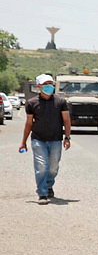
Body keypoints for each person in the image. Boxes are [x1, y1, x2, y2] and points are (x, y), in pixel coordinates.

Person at [19, 74, 71, 204]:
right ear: (38, 86)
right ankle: (42, 193)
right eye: (45, 84)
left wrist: (67, 137)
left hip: (56, 139)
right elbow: (29, 123)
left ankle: (48, 185)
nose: (49, 86)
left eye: (50, 83)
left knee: (53, 167)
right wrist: (23, 142)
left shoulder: (60, 102)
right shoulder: (32, 103)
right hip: (38, 139)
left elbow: (66, 120)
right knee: (41, 166)